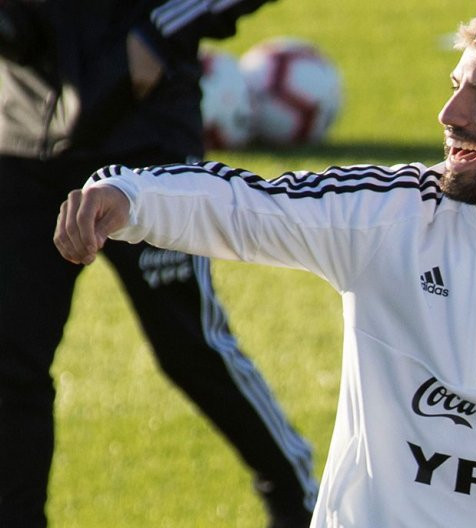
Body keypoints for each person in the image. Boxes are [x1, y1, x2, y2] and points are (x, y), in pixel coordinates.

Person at [54, 8, 476, 527]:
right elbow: (248, 205)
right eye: (456, 89)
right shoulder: (390, 212)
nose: (449, 115)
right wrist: (130, 196)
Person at [0, 1, 317, 526]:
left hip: (141, 136)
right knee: (10, 357)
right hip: (19, 136)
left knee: (188, 344)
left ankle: (294, 493)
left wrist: (162, 28)